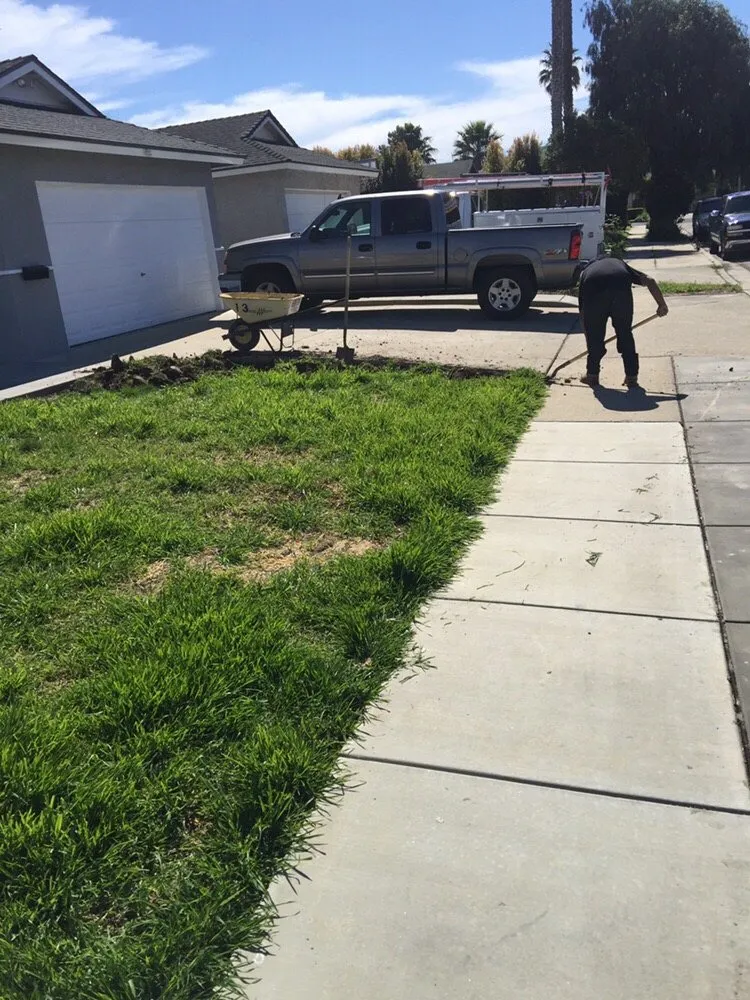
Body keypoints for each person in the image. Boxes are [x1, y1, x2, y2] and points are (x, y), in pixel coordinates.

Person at [577, 255, 668, 388]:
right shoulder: (621, 264)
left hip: (594, 289)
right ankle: (631, 377)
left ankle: (592, 376)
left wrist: (591, 341)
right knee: (625, 333)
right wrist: (662, 304)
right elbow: (650, 280)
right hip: (620, 291)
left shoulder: (586, 273)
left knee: (594, 334)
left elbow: (584, 316)